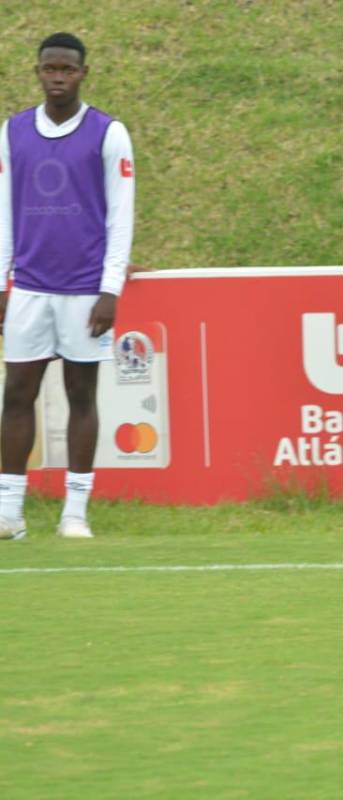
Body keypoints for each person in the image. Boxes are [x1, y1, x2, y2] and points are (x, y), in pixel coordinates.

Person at [0, 32, 135, 540]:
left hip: (84, 289)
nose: (57, 77)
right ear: (37, 71)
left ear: (83, 73)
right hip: (30, 287)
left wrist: (110, 289)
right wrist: (1, 280)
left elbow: (121, 216)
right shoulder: (11, 132)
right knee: (17, 394)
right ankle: (9, 513)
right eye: (49, 68)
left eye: (67, 69)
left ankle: (75, 512)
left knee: (82, 395)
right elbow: (3, 210)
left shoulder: (108, 133)